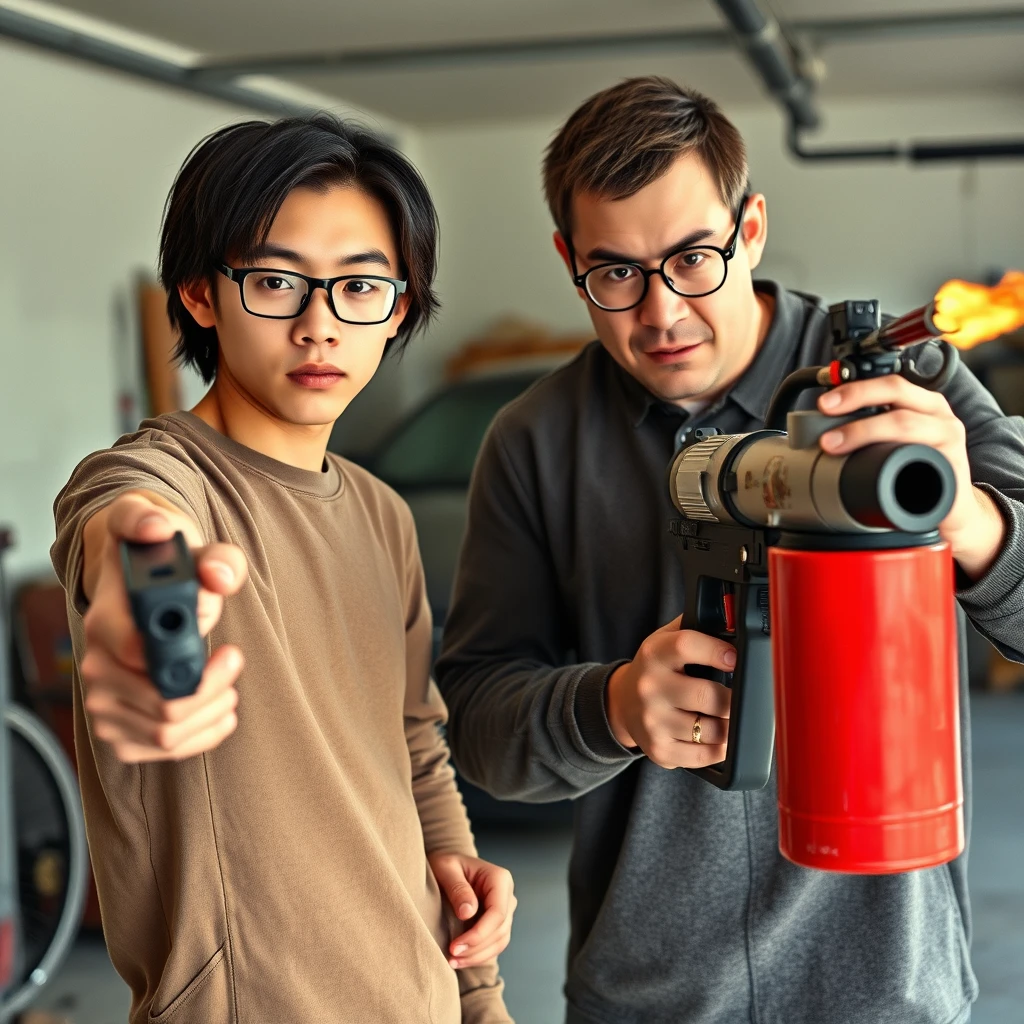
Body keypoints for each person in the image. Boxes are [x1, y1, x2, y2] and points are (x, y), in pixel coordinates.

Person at [435, 76, 1024, 1024]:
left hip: (889, 993)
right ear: (567, 260)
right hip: (649, 999)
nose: (661, 313)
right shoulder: (535, 441)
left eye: (693, 258)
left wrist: (962, 516)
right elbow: (479, 725)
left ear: (750, 228)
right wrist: (614, 706)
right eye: (615, 273)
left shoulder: (909, 389)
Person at [50, 114, 515, 1024]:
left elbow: (415, 744)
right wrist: (145, 602)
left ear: (401, 309)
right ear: (198, 293)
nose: (318, 325)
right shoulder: (156, 480)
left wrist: (479, 992)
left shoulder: (382, 515)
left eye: (360, 288)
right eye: (275, 282)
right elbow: (127, 528)